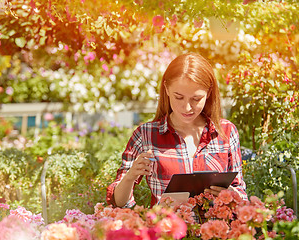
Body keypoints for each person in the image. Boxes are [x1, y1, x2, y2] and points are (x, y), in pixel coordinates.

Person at [106, 52, 247, 208]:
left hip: (216, 230)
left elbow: (242, 195)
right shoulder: (146, 135)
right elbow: (118, 203)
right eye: (179, 97)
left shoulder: (226, 132)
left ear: (209, 92)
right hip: (167, 230)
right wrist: (130, 176)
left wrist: (231, 195)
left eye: (196, 99)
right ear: (166, 88)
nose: (187, 107)